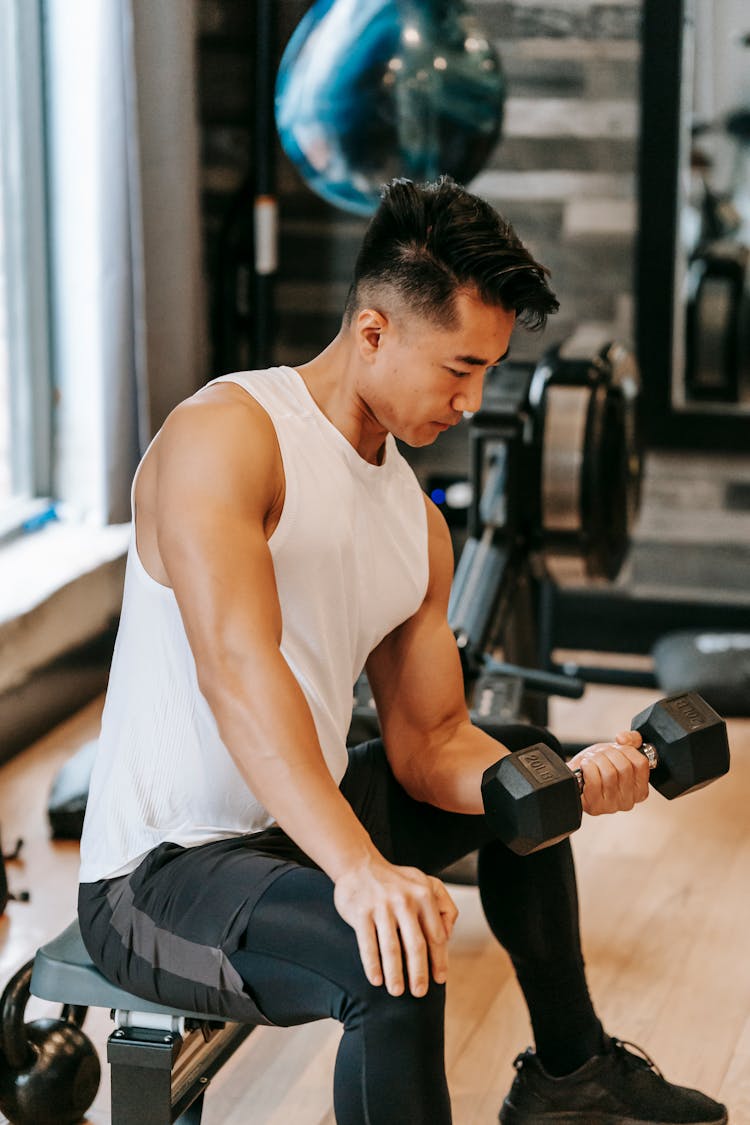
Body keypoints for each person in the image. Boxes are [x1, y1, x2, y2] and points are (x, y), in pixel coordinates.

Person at [78, 177, 726, 1125]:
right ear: (374, 331)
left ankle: (569, 1075)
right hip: (164, 869)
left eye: (489, 373)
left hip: (302, 822)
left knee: (523, 760)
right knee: (396, 954)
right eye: (460, 368)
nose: (472, 401)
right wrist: (359, 870)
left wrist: (576, 779)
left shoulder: (414, 522)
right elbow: (236, 670)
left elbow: (432, 745)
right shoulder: (225, 436)